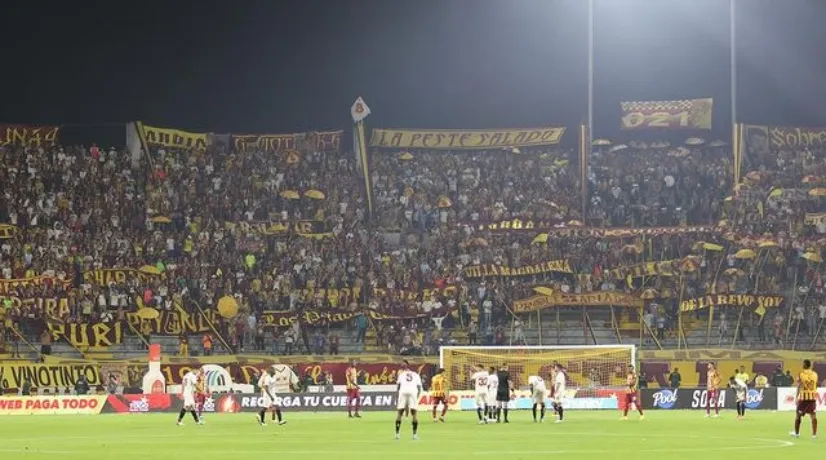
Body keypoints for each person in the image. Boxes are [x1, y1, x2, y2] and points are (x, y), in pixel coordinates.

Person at [394, 360, 422, 440]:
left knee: (399, 413)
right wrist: (416, 397)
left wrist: (397, 396)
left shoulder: (401, 374)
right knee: (414, 414)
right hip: (413, 392)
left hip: (403, 392)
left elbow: (398, 387)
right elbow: (419, 388)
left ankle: (397, 434)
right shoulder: (416, 375)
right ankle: (414, 435)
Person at [790, 359, 819, 439]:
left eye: (803, 364)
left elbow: (799, 386)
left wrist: (796, 397)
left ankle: (797, 434)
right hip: (812, 397)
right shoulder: (815, 374)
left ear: (805, 365)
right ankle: (814, 435)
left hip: (803, 398)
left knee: (798, 416)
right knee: (813, 415)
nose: (802, 365)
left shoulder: (801, 374)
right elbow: (816, 385)